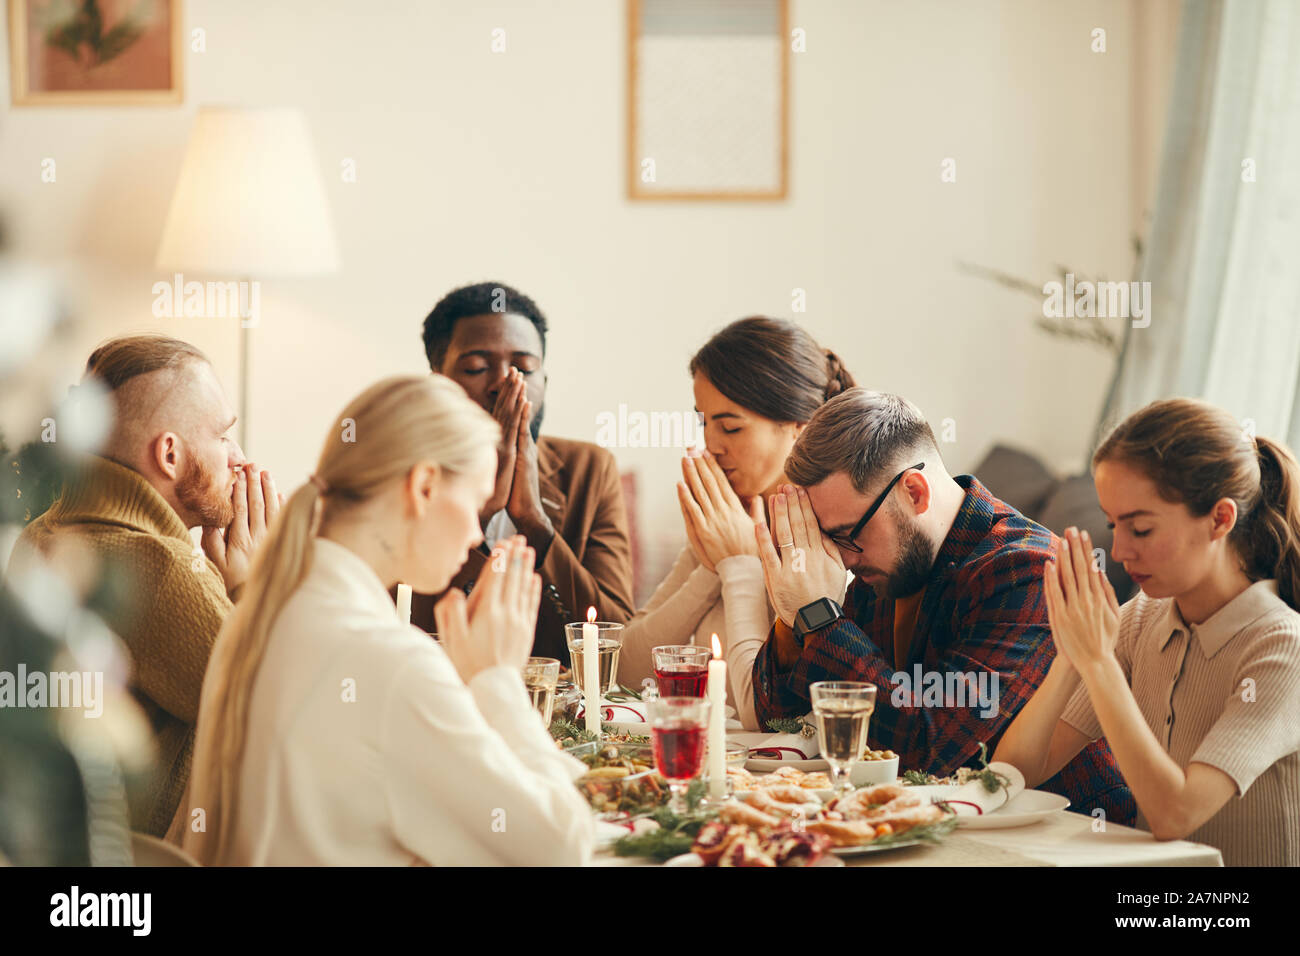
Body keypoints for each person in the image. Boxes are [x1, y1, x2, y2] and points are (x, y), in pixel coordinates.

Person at [183, 375, 596, 866]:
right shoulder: (389, 662)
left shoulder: (263, 613)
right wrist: (498, 680)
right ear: (423, 486)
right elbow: (561, 849)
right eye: (475, 505)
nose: (474, 535)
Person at [750, 388, 1131, 822]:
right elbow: (780, 726)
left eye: (847, 533)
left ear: (914, 491)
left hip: (1069, 842)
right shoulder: (880, 567)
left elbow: (933, 751)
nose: (845, 559)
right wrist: (792, 614)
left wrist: (819, 619)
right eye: (828, 540)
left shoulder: (1027, 571)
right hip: (934, 831)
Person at [994, 399, 1300, 865]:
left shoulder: (1283, 649)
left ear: (1220, 519)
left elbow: (1175, 815)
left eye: (1140, 529)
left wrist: (1098, 662)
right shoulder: (1142, 618)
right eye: (1113, 524)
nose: (1117, 551)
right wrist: (1070, 656)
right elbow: (1015, 773)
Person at [5, 334, 278, 838]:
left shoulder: (41, 531)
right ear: (169, 455)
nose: (239, 457)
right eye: (222, 436)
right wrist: (252, 585)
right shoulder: (162, 566)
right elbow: (275, 711)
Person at [618, 318, 855, 730]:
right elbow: (625, 671)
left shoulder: (836, 541)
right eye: (704, 422)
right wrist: (714, 565)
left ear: (800, 426)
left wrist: (740, 565)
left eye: (730, 426)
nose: (711, 443)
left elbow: (764, 717)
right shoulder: (728, 518)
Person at [405, 282, 635, 659]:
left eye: (525, 368)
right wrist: (475, 515)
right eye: (477, 367)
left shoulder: (590, 470)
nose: (505, 382)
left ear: (544, 381)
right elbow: (383, 626)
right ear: (437, 384)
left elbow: (616, 643)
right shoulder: (400, 474)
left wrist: (536, 524)